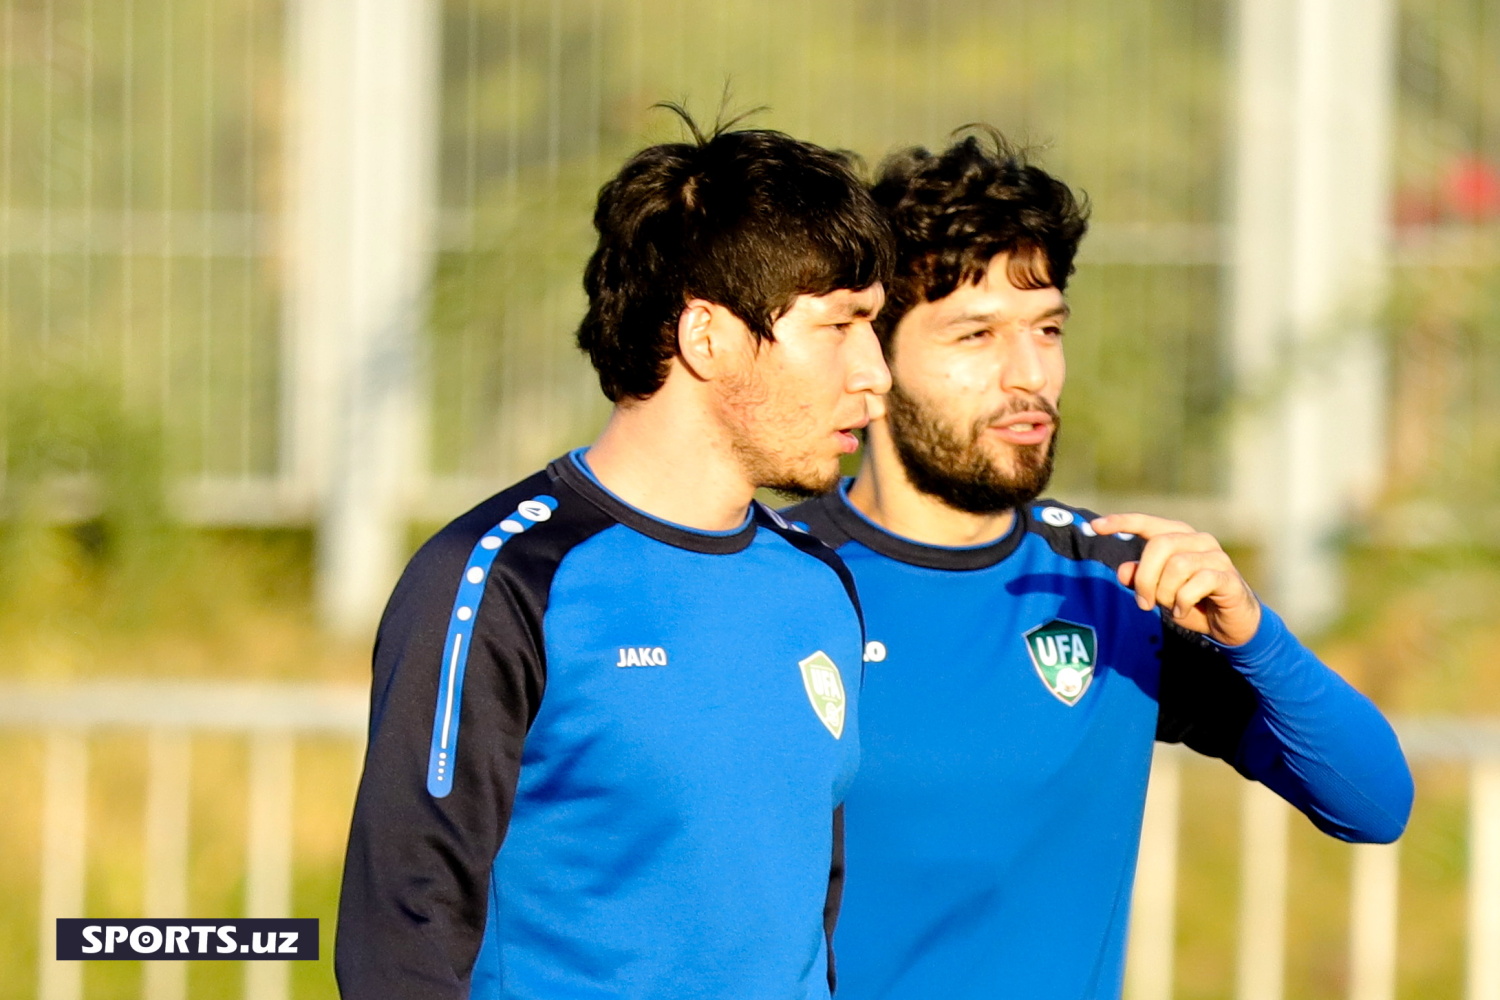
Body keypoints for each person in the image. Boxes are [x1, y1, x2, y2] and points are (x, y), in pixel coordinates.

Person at [785, 132, 1414, 1000]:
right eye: (976, 334)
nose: (1029, 374)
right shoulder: (776, 580)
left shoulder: (1114, 584)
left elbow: (1373, 803)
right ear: (874, 359)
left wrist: (1255, 636)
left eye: (1047, 329)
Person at [336, 113, 894, 1000]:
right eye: (839, 326)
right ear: (706, 335)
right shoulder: (501, 578)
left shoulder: (819, 585)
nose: (876, 372)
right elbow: (404, 932)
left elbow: (800, 930)